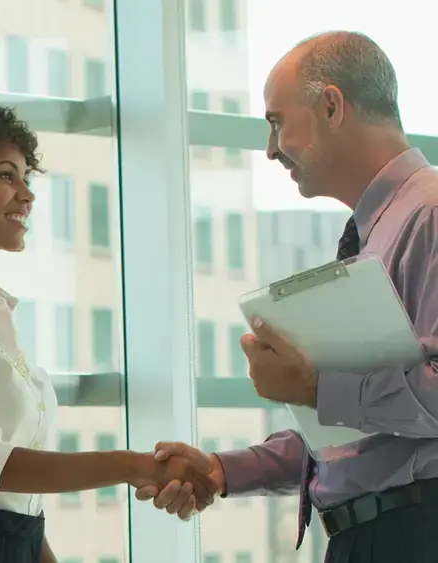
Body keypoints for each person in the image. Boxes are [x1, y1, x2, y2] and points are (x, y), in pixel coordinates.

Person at [0, 95, 217, 563]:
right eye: (5, 175)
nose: (26, 194)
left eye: (25, 177)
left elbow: (12, 503)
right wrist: (133, 466)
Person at [136, 31, 438, 562]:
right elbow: (365, 431)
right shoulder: (379, 233)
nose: (271, 149)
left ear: (331, 105)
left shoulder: (430, 215)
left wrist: (318, 385)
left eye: (276, 122)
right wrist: (222, 470)